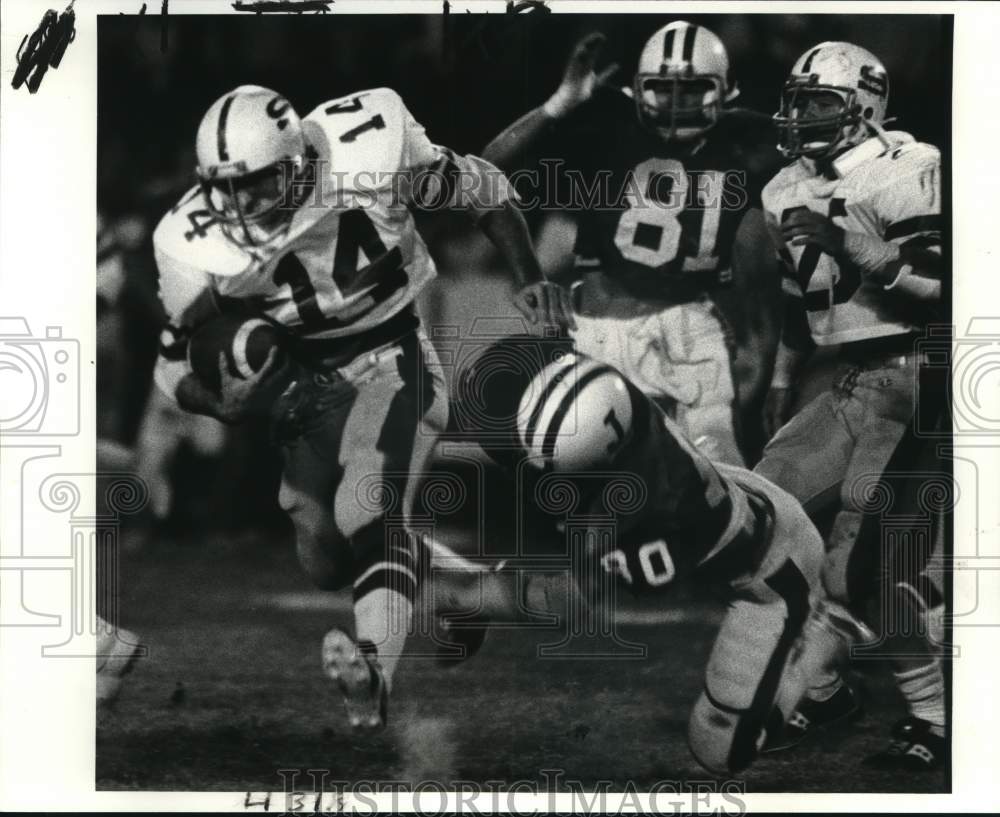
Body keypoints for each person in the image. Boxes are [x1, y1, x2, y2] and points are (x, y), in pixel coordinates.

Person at [151, 84, 568, 730]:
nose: (239, 205)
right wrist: (220, 402)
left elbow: (483, 189)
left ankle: (372, 674)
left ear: (296, 164)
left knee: (367, 504)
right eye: (223, 188)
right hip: (304, 383)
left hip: (390, 350)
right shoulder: (187, 238)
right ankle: (478, 589)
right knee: (323, 556)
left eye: (256, 184)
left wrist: (531, 277)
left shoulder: (367, 144)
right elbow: (170, 364)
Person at [431, 335, 872, 775]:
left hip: (773, 575)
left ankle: (828, 629)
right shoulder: (606, 401)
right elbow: (532, 390)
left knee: (719, 751)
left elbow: (567, 603)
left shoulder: (645, 518)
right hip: (736, 497)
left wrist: (471, 597)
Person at [754, 42, 947, 769]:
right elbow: (794, 297)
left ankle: (934, 716)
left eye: (819, 102)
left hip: (921, 379)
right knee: (758, 516)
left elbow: (949, 287)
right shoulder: (784, 187)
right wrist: (780, 378)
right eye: (796, 100)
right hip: (851, 381)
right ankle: (828, 686)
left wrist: (852, 243)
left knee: (862, 568)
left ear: (863, 104)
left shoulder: (909, 167)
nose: (800, 115)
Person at [482, 22, 785, 466]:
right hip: (599, 322)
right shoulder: (606, 124)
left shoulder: (749, 141)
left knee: (721, 465)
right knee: (593, 476)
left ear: (726, 92)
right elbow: (482, 170)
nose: (677, 103)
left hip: (691, 326)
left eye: (693, 89)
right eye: (663, 88)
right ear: (638, 89)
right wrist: (558, 105)